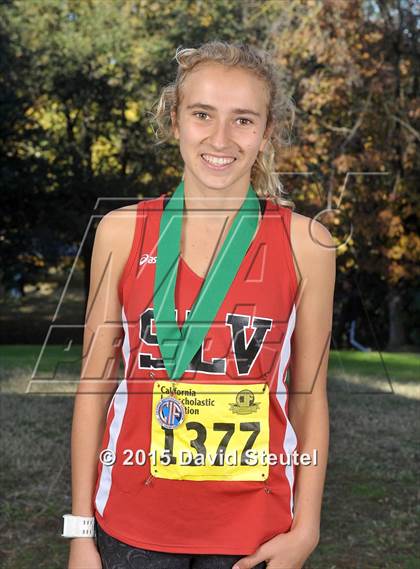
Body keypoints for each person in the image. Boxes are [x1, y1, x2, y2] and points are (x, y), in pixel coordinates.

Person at [65, 41, 336, 569]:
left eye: (243, 120)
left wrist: (307, 529)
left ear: (267, 132)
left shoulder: (307, 243)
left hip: (255, 530)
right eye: (202, 114)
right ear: (174, 121)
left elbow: (310, 398)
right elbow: (92, 389)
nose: (220, 138)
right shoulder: (121, 232)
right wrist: (79, 534)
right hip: (132, 524)